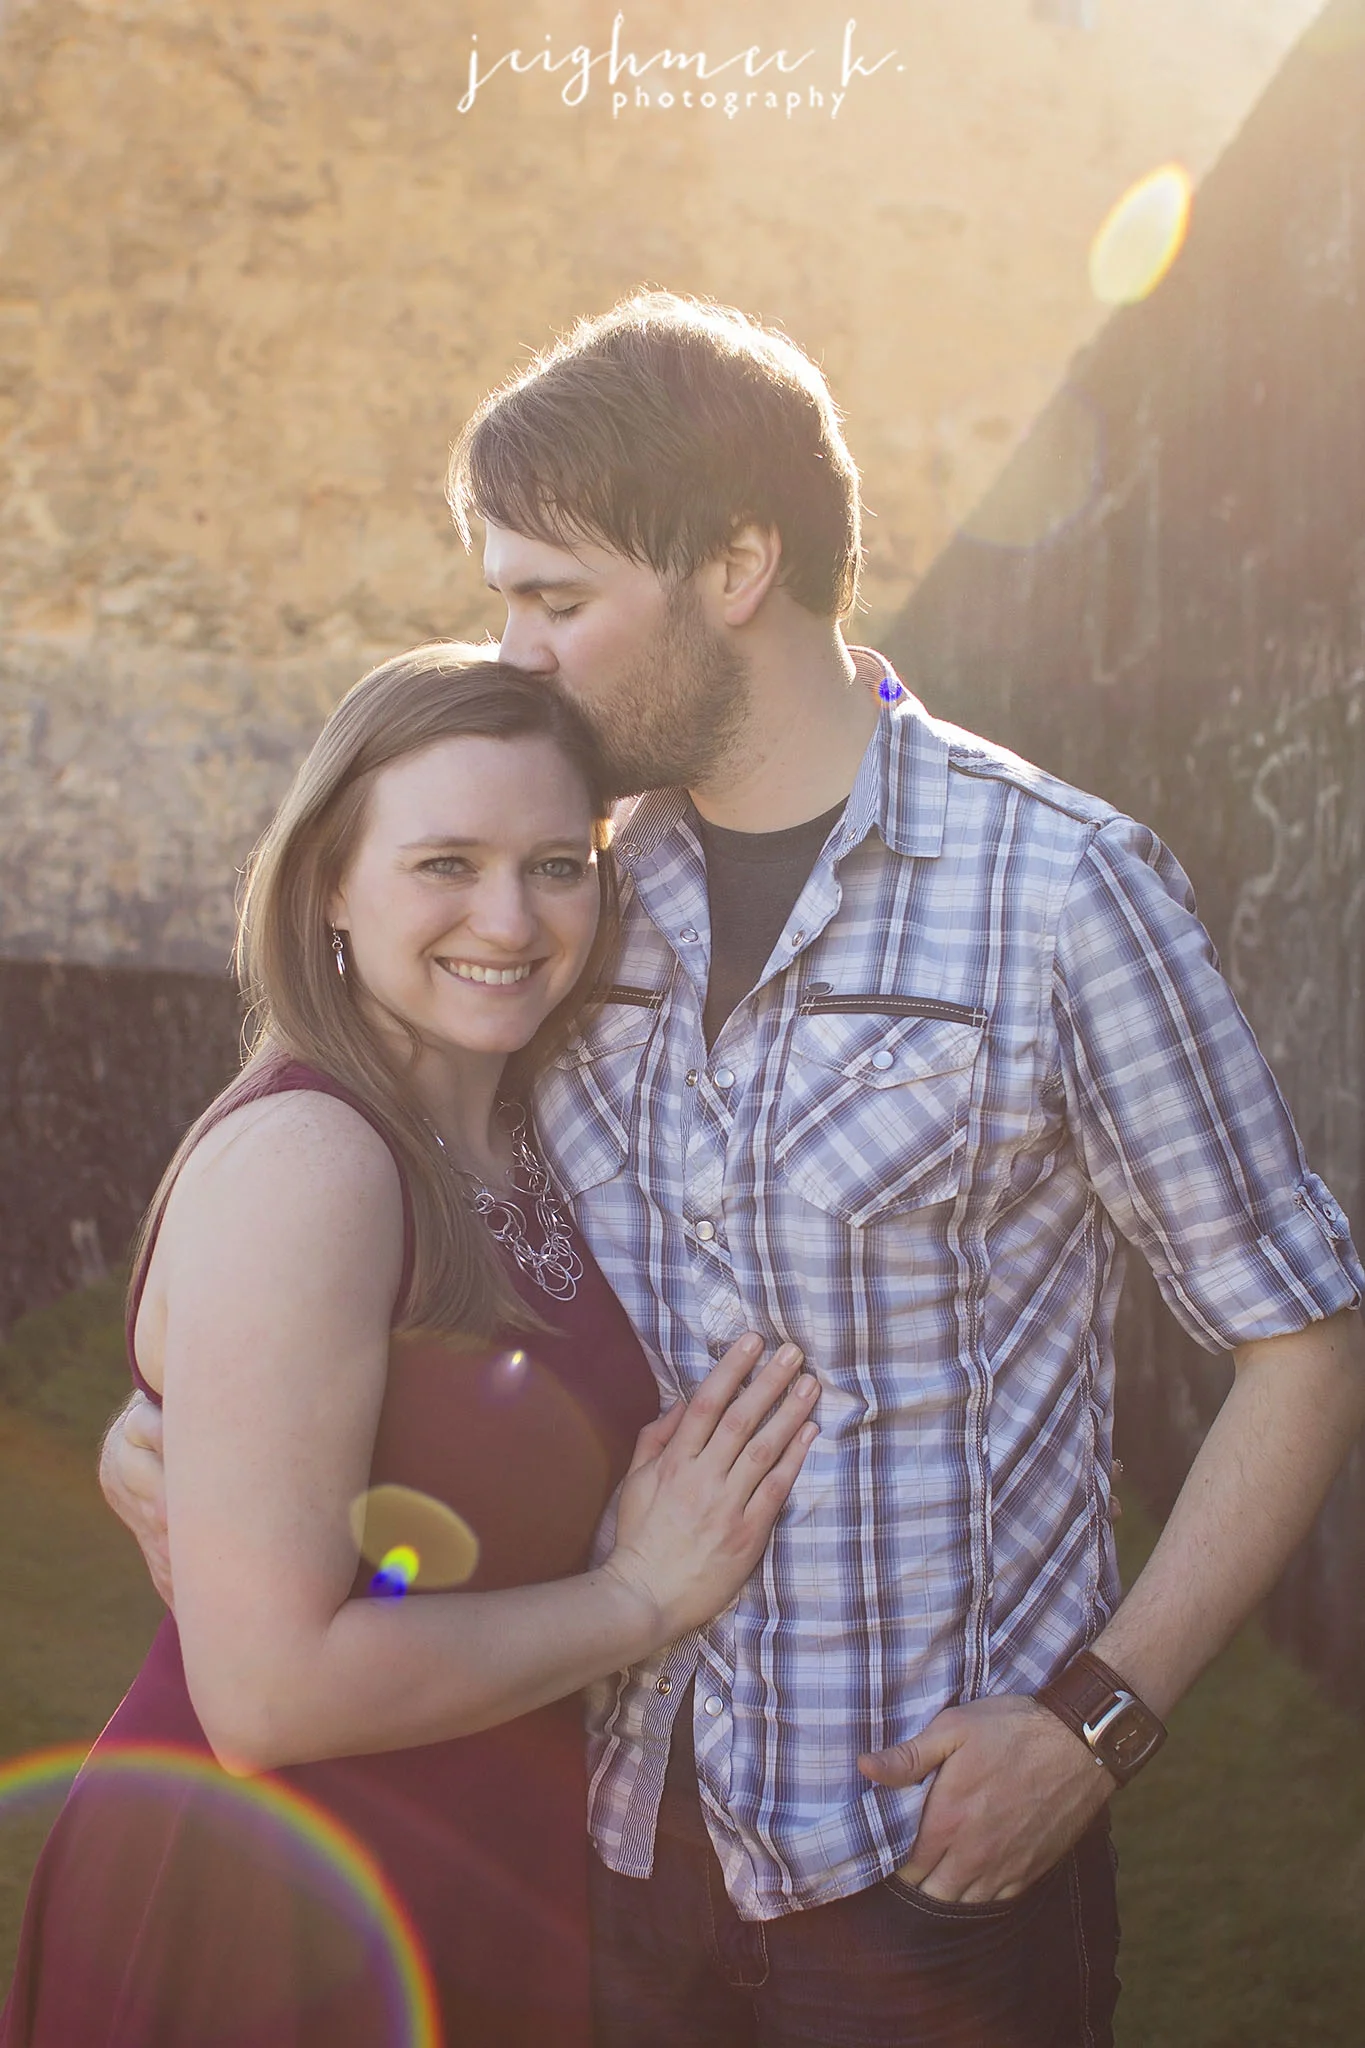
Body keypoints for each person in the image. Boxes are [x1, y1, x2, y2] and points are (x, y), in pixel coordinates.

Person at [103, 294, 1365, 2048]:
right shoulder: (576, 902)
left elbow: (1302, 1338)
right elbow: (374, 1201)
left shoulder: (1063, 891)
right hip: (601, 1844)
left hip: (923, 1862)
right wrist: (178, 1421)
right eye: (504, 602)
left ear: (738, 561)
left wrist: (1099, 1723)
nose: (518, 652)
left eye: (556, 597)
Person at [1, 646, 821, 2048]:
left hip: (473, 1881)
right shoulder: (314, 1160)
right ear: (330, 878)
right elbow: (267, 1694)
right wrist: (638, 1598)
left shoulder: (526, 1131)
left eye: (557, 864)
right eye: (445, 861)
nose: (510, 916)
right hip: (271, 1908)